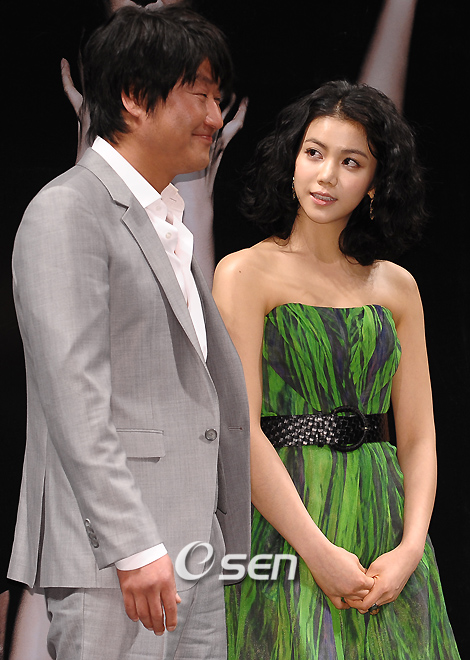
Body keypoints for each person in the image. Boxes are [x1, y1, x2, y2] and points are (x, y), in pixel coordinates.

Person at [7, 5, 250, 660]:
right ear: (135, 99)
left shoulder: (164, 218)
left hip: (194, 550)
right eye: (200, 95)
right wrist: (133, 546)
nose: (215, 117)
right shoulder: (69, 209)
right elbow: (74, 397)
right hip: (119, 560)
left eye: (219, 100)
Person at [213, 80, 461, 659]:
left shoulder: (397, 286)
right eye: (314, 153)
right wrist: (316, 552)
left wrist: (410, 550)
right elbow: (239, 430)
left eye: (351, 162)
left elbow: (418, 438)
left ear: (376, 181)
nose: (326, 176)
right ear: (292, 159)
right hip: (284, 525)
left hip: (386, 532)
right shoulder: (245, 273)